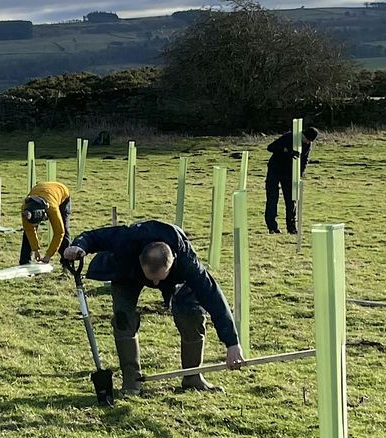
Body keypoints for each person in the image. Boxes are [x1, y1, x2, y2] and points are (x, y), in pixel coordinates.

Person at [62, 220, 244, 395]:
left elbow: (213, 297)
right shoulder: (127, 239)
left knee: (192, 315)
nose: (155, 283)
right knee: (123, 319)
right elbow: (93, 237)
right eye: (152, 278)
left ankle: (193, 377)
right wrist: (78, 246)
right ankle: (132, 381)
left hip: (176, 276)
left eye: (159, 279)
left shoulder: (187, 261)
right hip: (127, 272)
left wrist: (232, 343)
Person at [265, 126, 319, 234]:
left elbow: (304, 160)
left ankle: (292, 228)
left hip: (289, 174)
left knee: (291, 200)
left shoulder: (307, 145)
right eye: (307, 140)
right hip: (275, 170)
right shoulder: (289, 136)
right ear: (303, 135)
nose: (307, 143)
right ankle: (272, 227)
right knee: (272, 198)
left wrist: (299, 175)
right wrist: (288, 151)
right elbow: (270, 147)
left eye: (310, 141)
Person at [20, 180, 71, 265]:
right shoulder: (25, 209)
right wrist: (35, 250)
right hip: (41, 189)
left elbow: (59, 233)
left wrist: (49, 255)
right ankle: (25, 262)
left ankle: (67, 263)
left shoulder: (52, 209)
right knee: (27, 232)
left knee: (64, 229)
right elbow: (29, 230)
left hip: (61, 191)